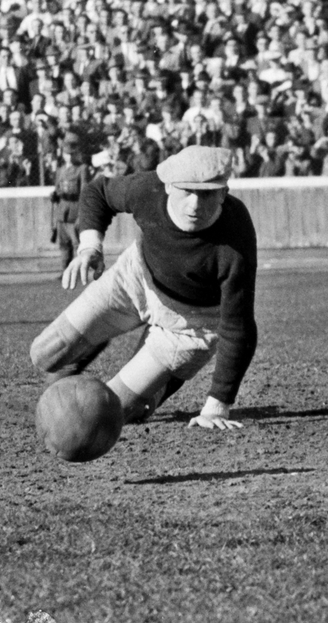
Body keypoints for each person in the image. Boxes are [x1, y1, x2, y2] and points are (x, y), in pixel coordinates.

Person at [29, 145, 257, 431]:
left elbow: (239, 328)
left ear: (223, 193)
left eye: (207, 193)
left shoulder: (235, 238)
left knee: (108, 414)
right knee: (44, 353)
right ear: (169, 186)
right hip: (135, 278)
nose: (195, 205)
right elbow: (97, 191)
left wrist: (216, 407)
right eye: (187, 191)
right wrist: (89, 247)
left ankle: (162, 383)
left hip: (191, 324)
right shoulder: (148, 189)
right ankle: (99, 334)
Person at [50, 132, 91, 272]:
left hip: (75, 208)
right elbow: (58, 188)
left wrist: (82, 214)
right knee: (64, 243)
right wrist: (55, 195)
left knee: (77, 243)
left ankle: (79, 270)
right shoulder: (60, 170)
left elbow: (84, 193)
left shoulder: (82, 169)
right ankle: (65, 270)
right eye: (67, 153)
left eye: (72, 153)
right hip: (62, 209)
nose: (69, 156)